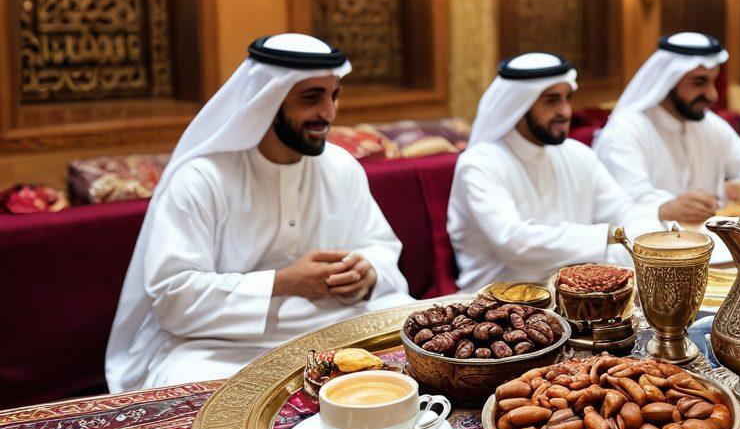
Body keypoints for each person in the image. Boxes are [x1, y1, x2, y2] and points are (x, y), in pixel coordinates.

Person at [105, 34, 413, 392]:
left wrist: (367, 272)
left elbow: (381, 248)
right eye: (311, 98)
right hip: (227, 344)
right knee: (187, 384)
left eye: (334, 95)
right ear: (266, 101)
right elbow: (173, 297)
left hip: (336, 323)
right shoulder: (201, 179)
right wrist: (283, 283)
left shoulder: (341, 167)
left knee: (421, 340)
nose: (328, 113)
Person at [448, 52, 660, 291]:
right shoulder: (479, 163)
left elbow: (625, 212)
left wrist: (654, 236)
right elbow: (514, 242)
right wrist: (607, 237)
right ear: (518, 105)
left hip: (578, 296)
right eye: (552, 101)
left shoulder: (578, 155)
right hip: (495, 307)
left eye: (567, 98)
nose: (566, 112)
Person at [593, 32, 740, 223]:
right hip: (648, 247)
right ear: (667, 81)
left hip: (708, 242)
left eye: (713, 81)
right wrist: (669, 208)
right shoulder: (624, 132)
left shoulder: (709, 125)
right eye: (699, 82)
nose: (712, 95)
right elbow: (627, 205)